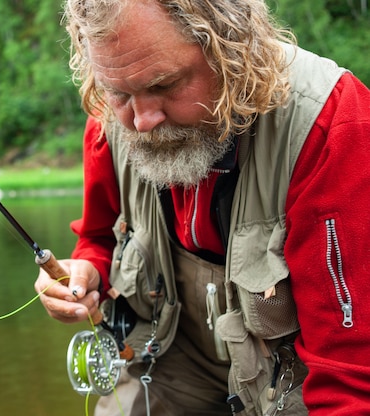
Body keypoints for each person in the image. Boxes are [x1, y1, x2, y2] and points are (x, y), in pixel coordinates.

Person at [33, 0, 370, 414]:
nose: (140, 121)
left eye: (163, 85)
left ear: (231, 50)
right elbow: (97, 238)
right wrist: (88, 272)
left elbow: (349, 375)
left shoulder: (331, 125)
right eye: (119, 92)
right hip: (168, 361)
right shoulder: (112, 109)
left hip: (289, 381)